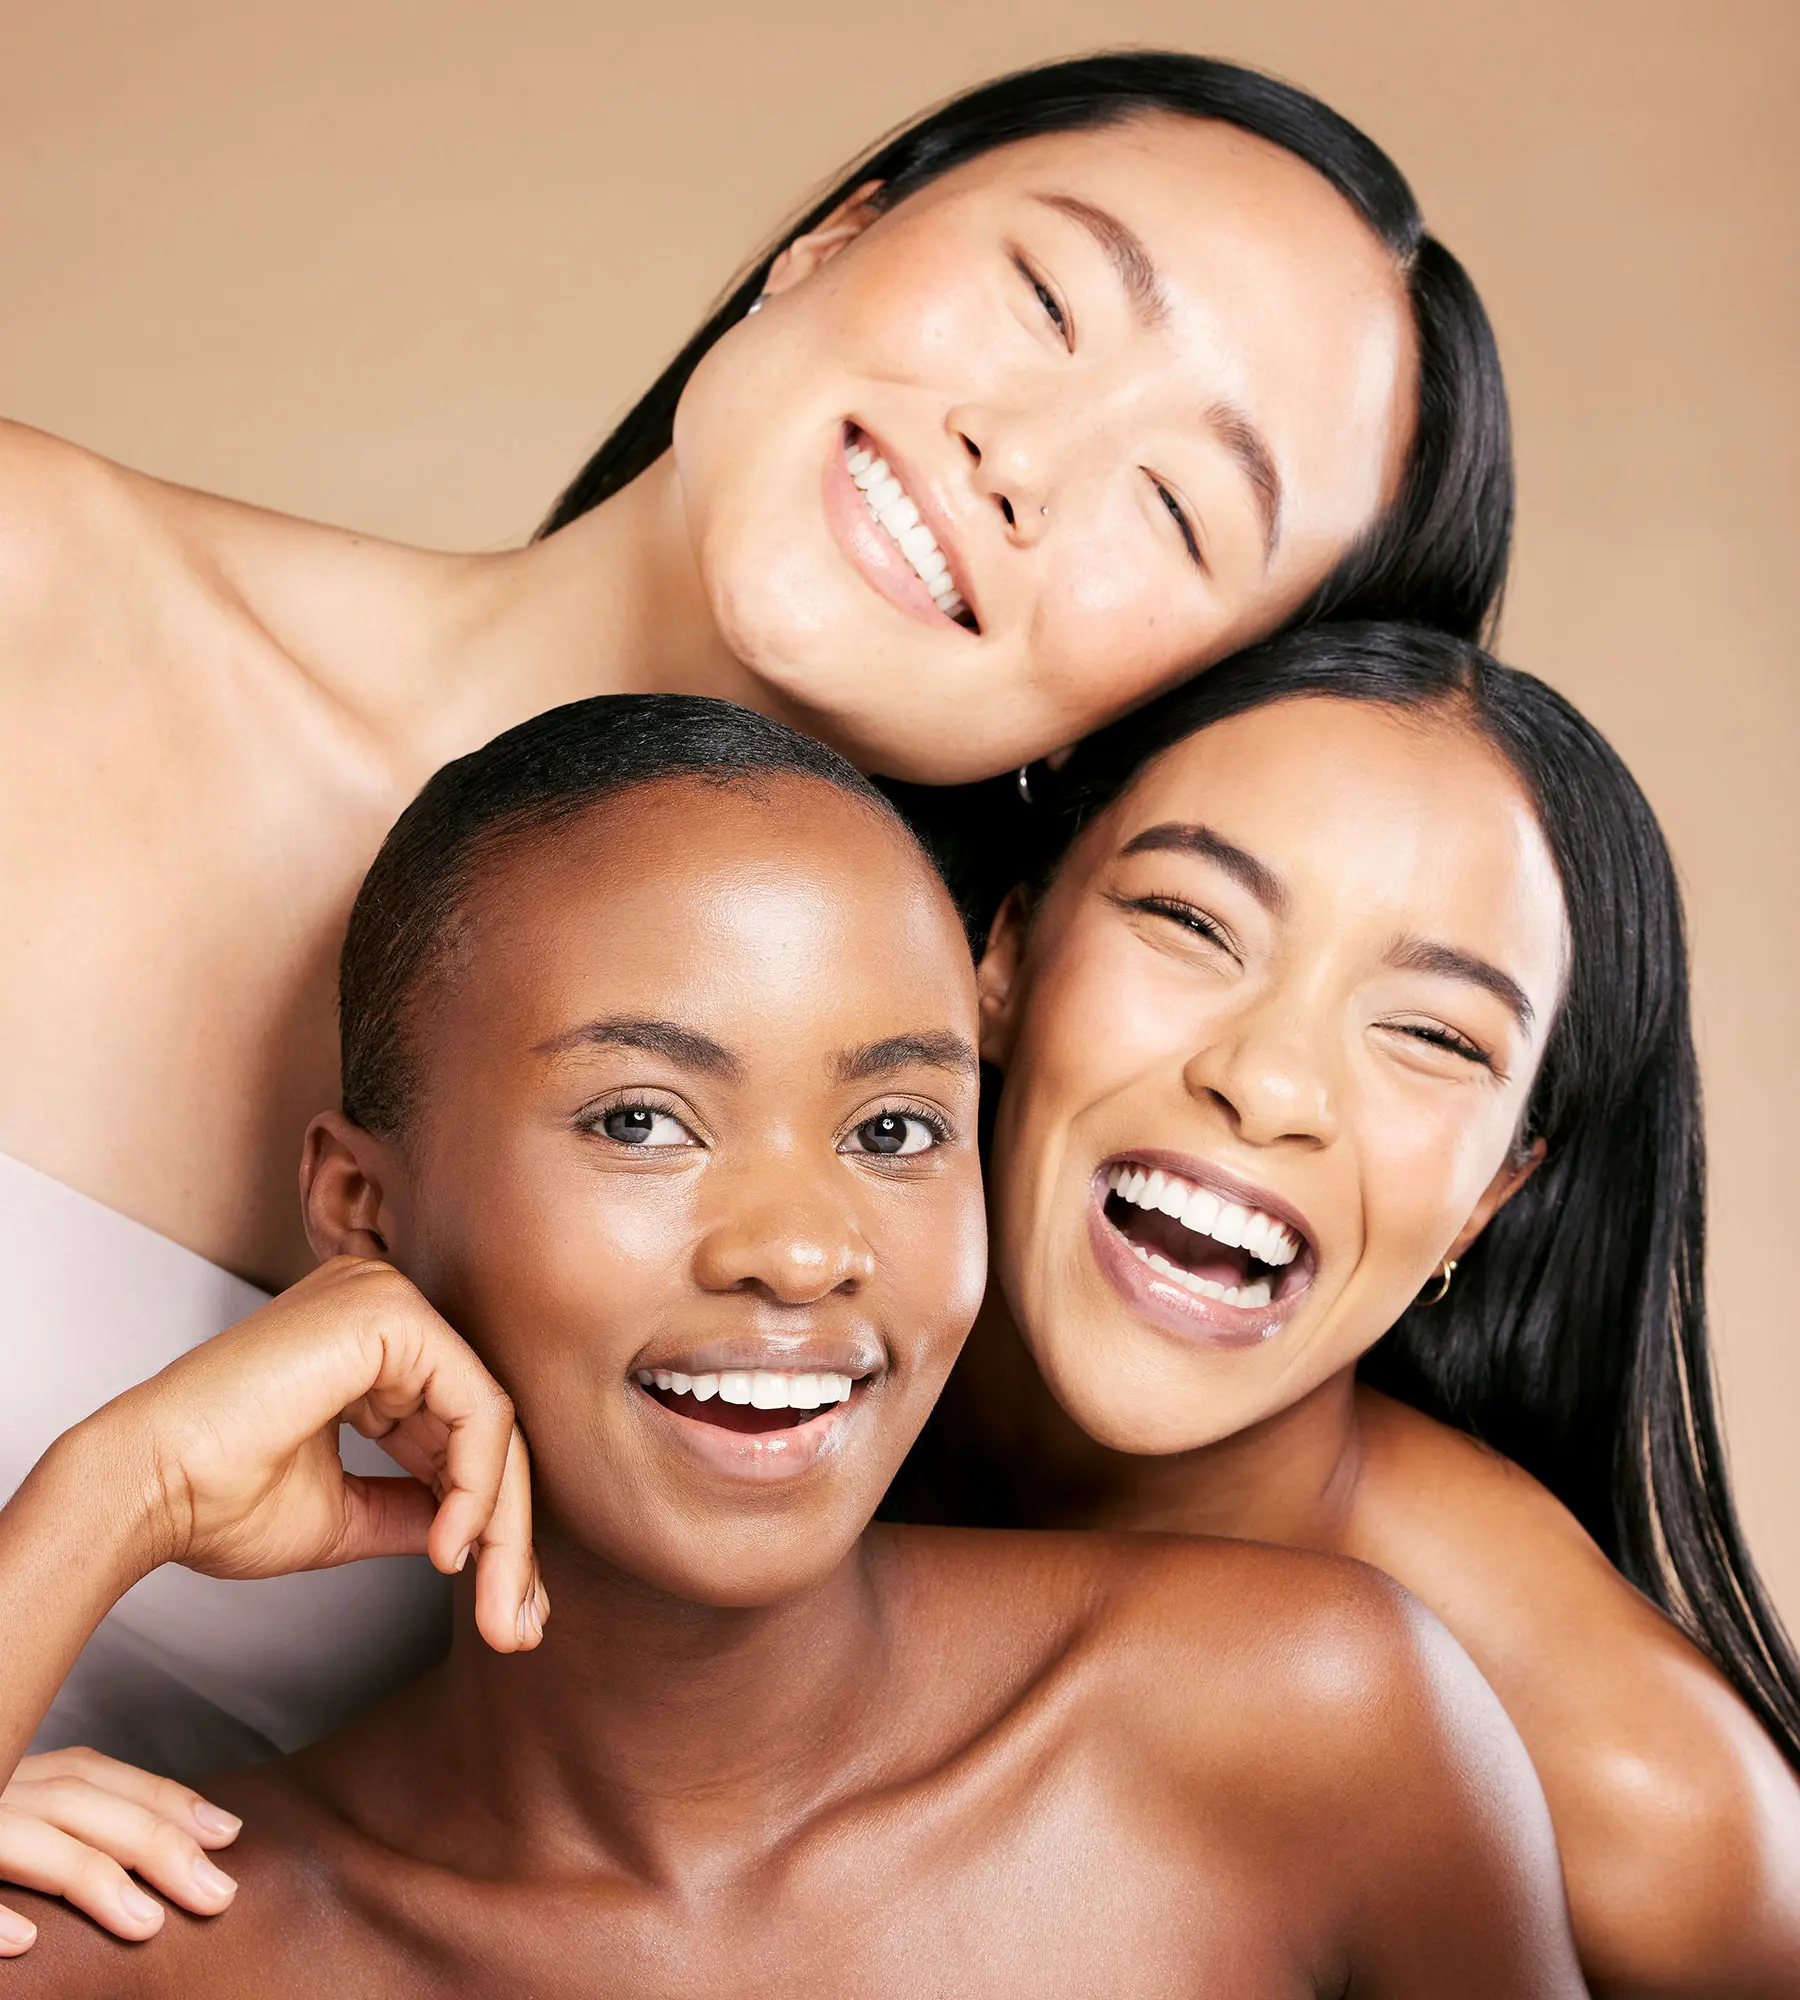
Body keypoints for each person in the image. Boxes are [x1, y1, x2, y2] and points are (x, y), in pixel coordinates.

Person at [0, 58, 1513, 1855]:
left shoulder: (916, 1240)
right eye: (1047, 299)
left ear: (1157, 710)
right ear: (828, 238)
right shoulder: (37, 589)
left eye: (1182, 511)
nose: (1021, 463)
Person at [0, 695, 1584, 1992]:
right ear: (363, 1210)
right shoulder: (147, 1943)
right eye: (642, 1119)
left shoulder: (1308, 1724)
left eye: (895, 1126)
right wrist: (100, 1500)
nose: (803, 1247)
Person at [891, 622, 1800, 1995]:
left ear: (1496, 1191)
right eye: (1192, 923)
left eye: (1433, 1034)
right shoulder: (688, 1388)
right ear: (1006, 955)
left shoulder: (1637, 1797)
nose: (1269, 1084)